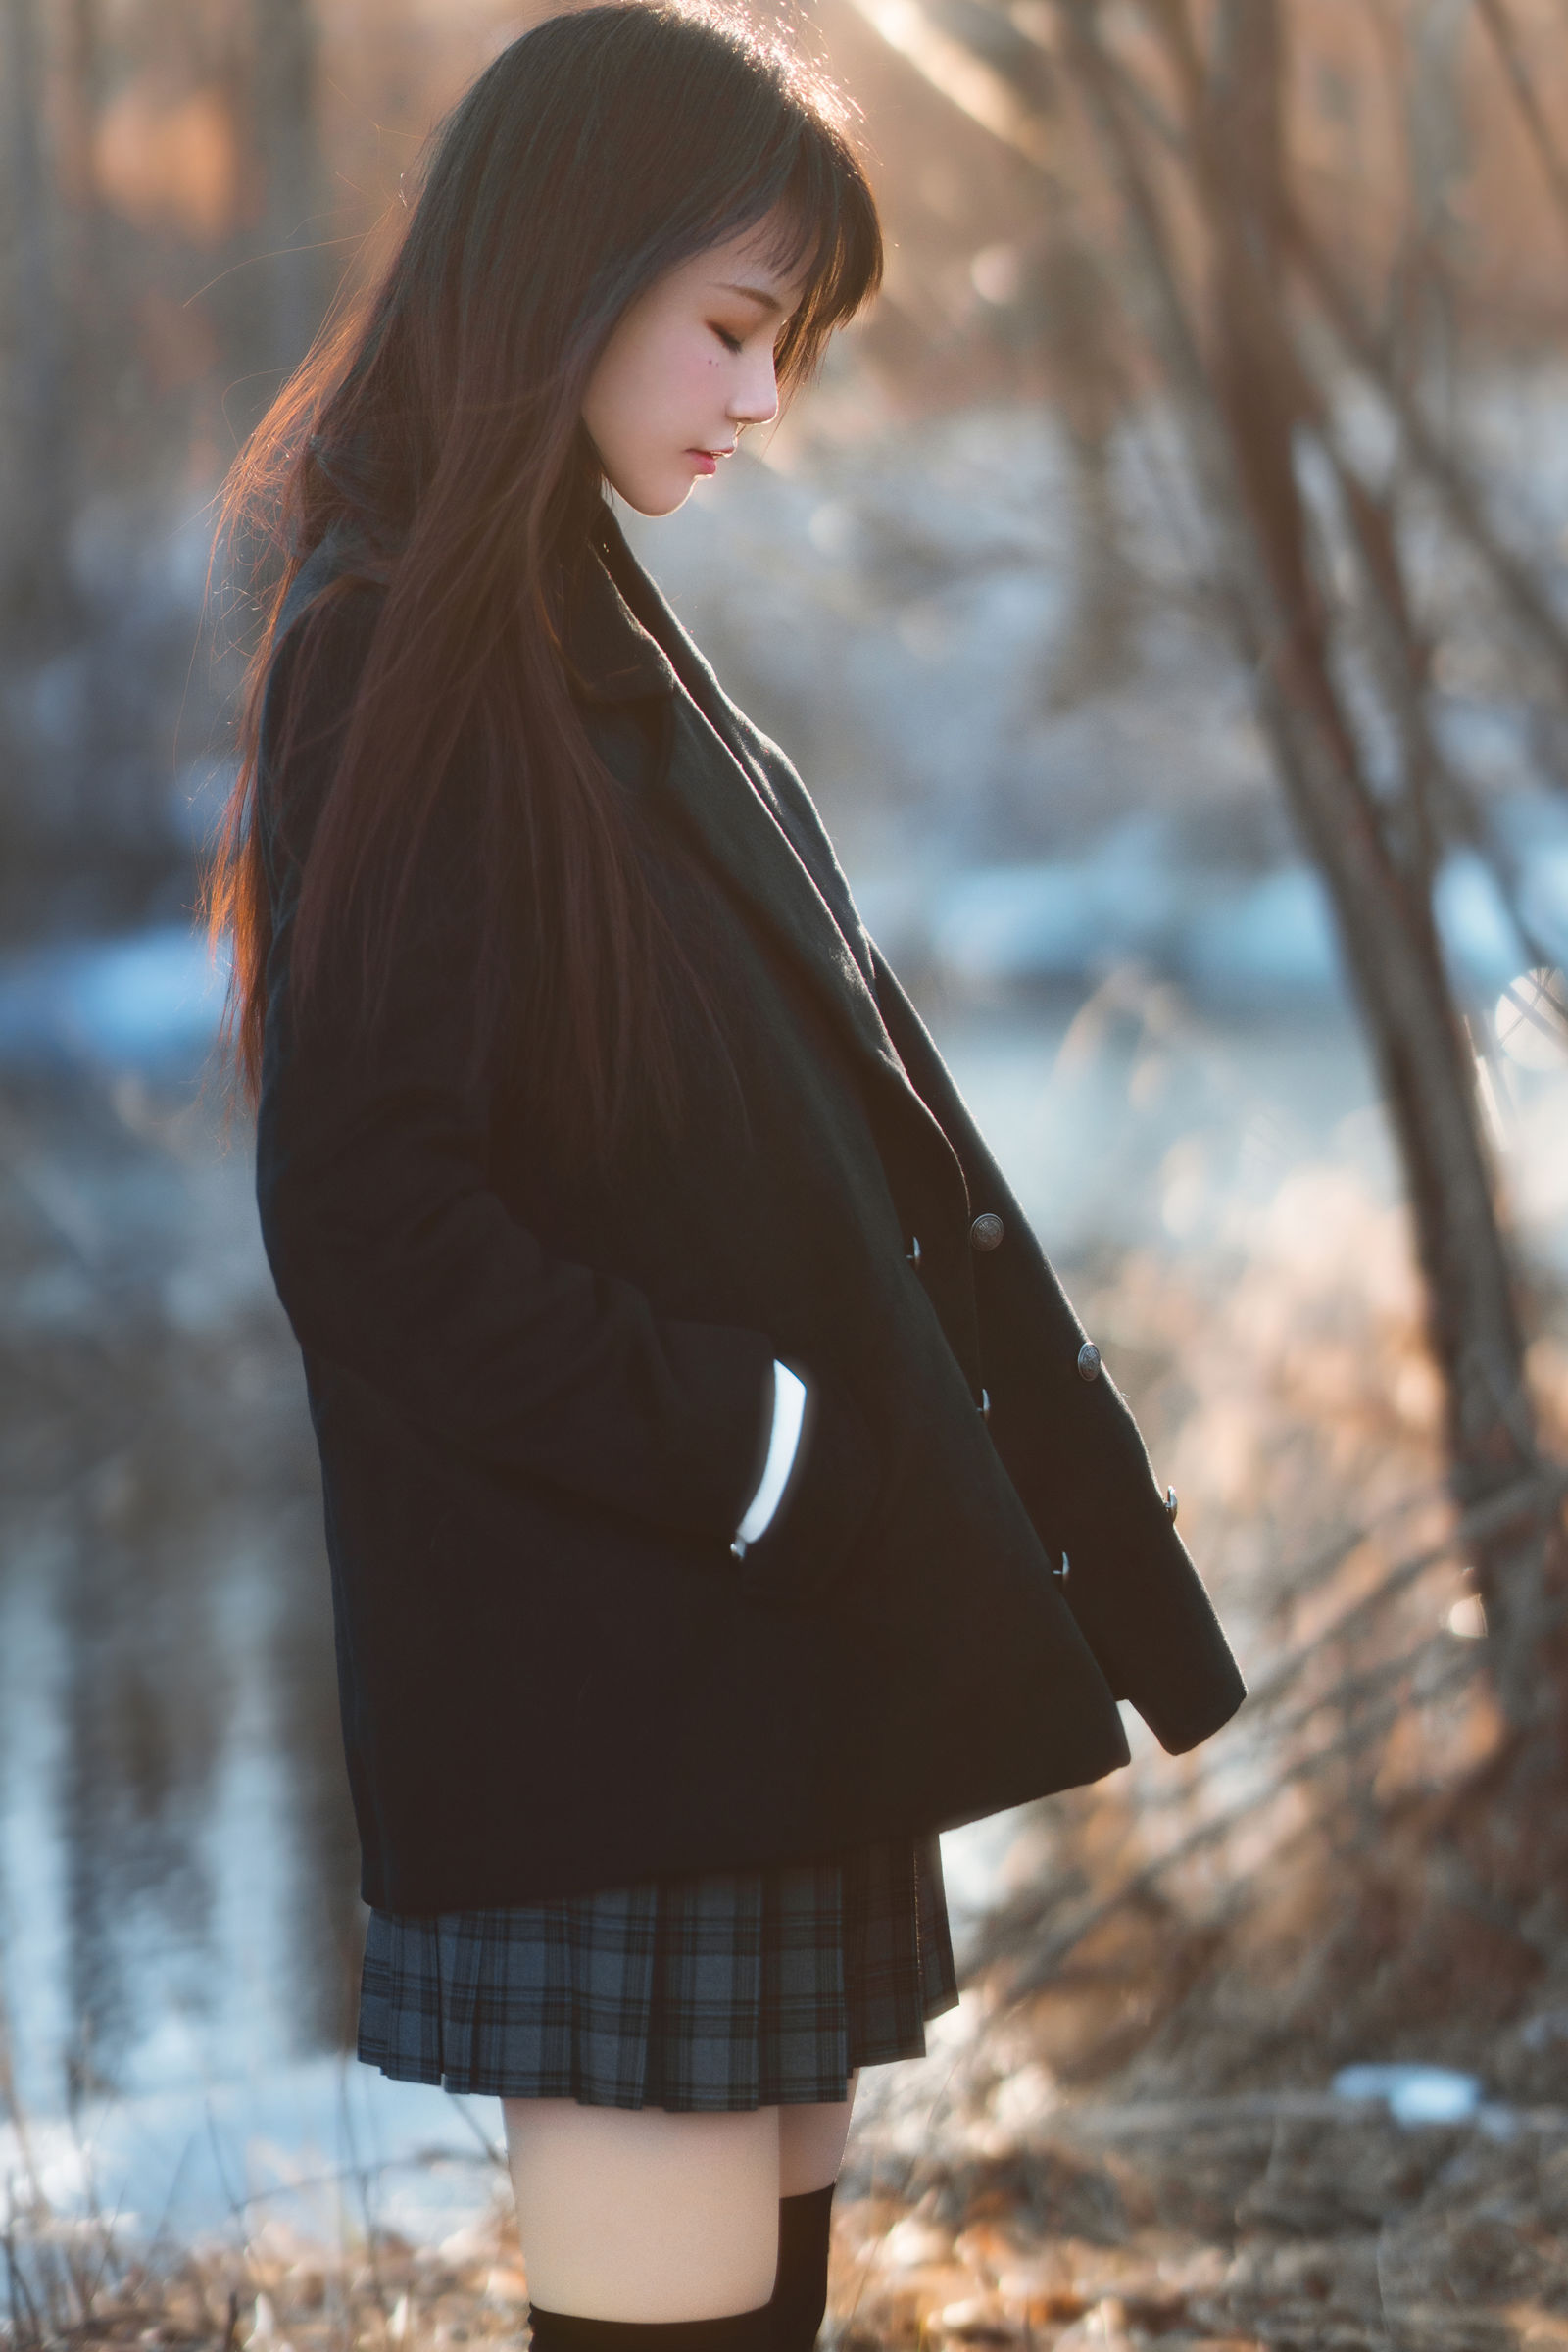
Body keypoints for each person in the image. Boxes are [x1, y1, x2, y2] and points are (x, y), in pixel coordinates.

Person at [204, 7, 1246, 2346]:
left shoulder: (568, 610)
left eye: (780, 346)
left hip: (747, 1678)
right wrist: (761, 1450)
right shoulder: (402, 649)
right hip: (619, 1704)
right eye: (733, 330)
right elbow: (367, 1211)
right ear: (569, 270)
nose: (759, 404)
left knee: (755, 2319)